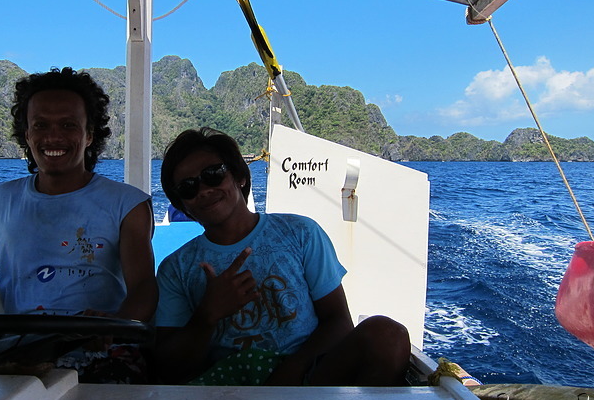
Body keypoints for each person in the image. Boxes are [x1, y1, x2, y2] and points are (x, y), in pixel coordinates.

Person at [0, 66, 157, 383]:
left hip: (103, 354)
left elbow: (144, 286)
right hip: (18, 356)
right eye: (40, 125)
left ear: (90, 135)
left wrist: (114, 324)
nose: (53, 137)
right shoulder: (1, 200)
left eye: (69, 125)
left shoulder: (128, 205)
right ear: (26, 135)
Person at [154, 127, 410, 386]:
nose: (204, 189)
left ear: (240, 176)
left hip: (307, 377)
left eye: (214, 174)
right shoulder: (176, 269)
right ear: (181, 205)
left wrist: (292, 371)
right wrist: (207, 315)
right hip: (226, 393)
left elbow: (338, 321)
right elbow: (169, 369)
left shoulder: (300, 234)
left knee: (388, 335)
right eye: (188, 187)